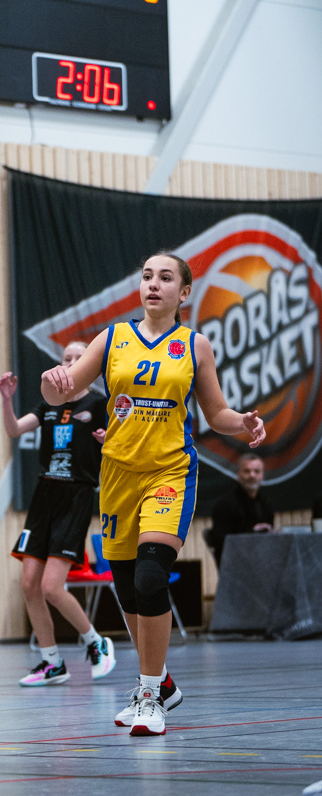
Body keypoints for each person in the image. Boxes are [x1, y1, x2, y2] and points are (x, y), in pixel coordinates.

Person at [41, 251, 265, 737]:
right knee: (128, 591)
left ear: (183, 292)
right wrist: (51, 383)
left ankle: (148, 695)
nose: (154, 284)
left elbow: (217, 413)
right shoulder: (113, 338)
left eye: (165, 277)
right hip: (118, 476)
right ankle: (161, 681)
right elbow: (64, 390)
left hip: (170, 473)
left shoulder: (195, 345)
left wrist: (243, 424)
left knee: (149, 578)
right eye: (147, 276)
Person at [0, 342, 116, 687]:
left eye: (80, 358)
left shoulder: (99, 403)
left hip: (76, 495)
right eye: (67, 358)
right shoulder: (49, 405)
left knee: (52, 587)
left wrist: (107, 440)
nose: (73, 362)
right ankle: (52, 662)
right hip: (44, 496)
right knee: (29, 585)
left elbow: (121, 442)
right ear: (59, 364)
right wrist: (6, 400)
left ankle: (96, 642)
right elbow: (14, 430)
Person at [209, 454, 273, 565]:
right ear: (238, 474)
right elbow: (219, 541)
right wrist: (252, 533)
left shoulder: (265, 504)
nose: (252, 475)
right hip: (235, 564)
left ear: (262, 475)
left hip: (262, 561)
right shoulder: (224, 505)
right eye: (247, 471)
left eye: (257, 471)